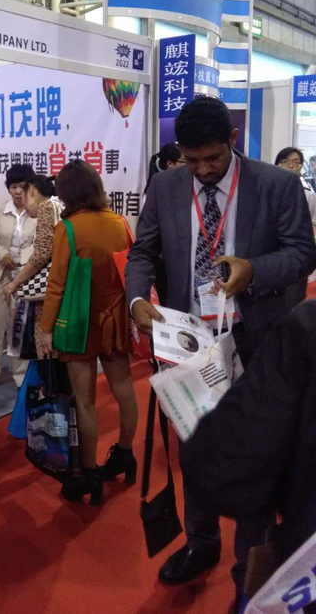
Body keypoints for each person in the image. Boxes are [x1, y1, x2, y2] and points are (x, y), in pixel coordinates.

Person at [126, 97, 316, 598]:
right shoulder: (166, 186)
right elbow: (143, 252)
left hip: (258, 343)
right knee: (196, 448)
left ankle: (248, 570)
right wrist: (136, 301)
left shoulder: (276, 185)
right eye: (192, 160)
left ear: (232, 140)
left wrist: (255, 270)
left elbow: (302, 253)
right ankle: (201, 542)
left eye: (212, 158)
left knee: (258, 455)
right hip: (189, 341)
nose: (203, 170)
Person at [180, 300, 316, 614]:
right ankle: (204, 544)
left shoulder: (307, 330)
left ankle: (246, 580)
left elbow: (220, 471)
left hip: (301, 580)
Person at [40, 159, 139, 505]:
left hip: (78, 324)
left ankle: (88, 472)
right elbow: (133, 268)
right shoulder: (120, 222)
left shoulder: (67, 229)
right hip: (115, 321)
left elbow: (56, 285)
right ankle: (125, 453)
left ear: (65, 193)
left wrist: (46, 329)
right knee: (125, 391)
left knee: (85, 401)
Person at [0, 164, 37, 386]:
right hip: (1, 273)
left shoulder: (38, 211)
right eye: (13, 186)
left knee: (21, 325)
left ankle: (20, 373)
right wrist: (1, 253)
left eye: (22, 186)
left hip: (26, 276)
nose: (17, 191)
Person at [3, 175, 62, 360]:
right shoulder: (59, 205)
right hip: (59, 287)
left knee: (46, 351)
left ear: (33, 192)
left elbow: (42, 252)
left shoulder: (46, 207)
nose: (24, 204)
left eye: (25, 196)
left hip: (47, 291)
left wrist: (15, 283)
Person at [275, 147, 316, 229]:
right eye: (285, 162)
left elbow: (313, 223)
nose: (291, 166)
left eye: (296, 162)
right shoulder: (267, 189)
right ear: (276, 165)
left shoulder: (307, 194)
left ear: (301, 166)